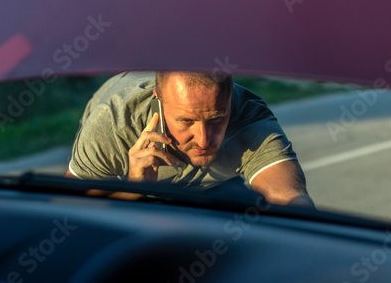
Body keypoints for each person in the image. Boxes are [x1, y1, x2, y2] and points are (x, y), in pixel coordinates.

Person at [65, 71, 314, 208]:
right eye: (186, 121)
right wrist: (133, 188)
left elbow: (289, 198)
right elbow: (67, 209)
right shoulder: (117, 122)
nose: (204, 139)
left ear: (231, 99)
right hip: (125, 175)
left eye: (217, 118)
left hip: (214, 189)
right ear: (158, 100)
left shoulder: (249, 117)